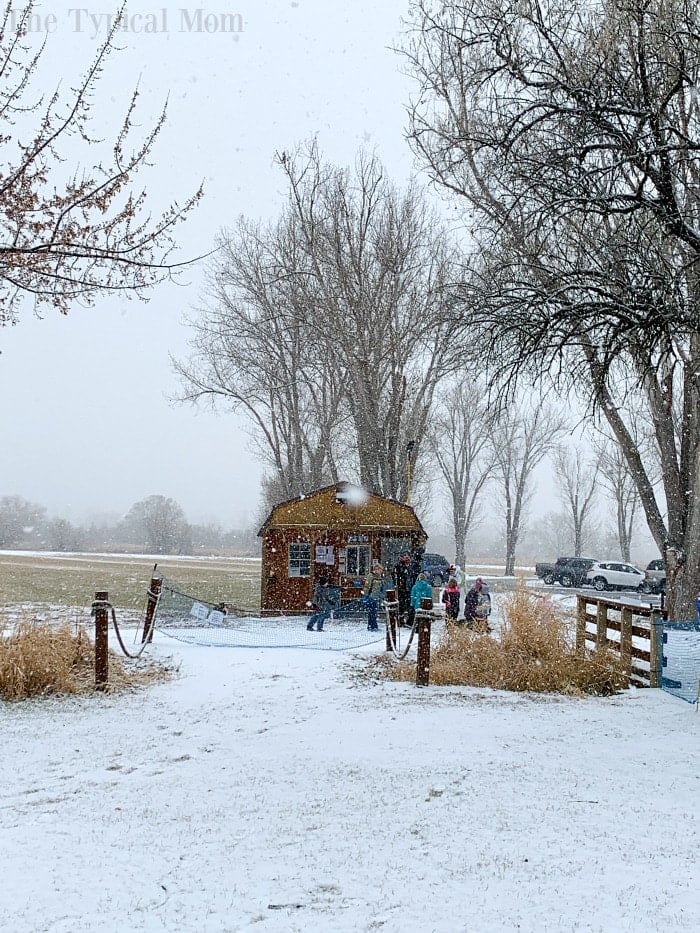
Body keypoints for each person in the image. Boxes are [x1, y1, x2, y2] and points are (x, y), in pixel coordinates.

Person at [363, 564, 387, 631]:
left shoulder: (380, 577)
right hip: (371, 596)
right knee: (372, 612)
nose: (381, 571)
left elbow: (381, 587)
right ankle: (372, 626)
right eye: (380, 570)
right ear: (376, 569)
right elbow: (367, 586)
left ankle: (373, 626)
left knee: (374, 612)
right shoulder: (371, 576)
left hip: (377, 597)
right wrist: (366, 595)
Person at [393, 551, 412, 625]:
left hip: (409, 588)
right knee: (401, 604)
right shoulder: (398, 566)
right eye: (405, 556)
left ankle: (408, 620)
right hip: (401, 588)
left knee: (408, 604)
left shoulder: (411, 565)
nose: (407, 557)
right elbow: (395, 576)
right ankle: (400, 620)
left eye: (408, 556)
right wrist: (397, 584)